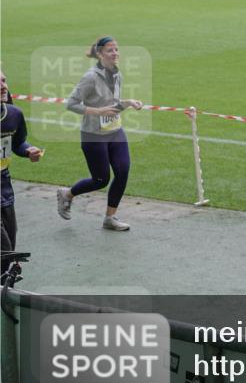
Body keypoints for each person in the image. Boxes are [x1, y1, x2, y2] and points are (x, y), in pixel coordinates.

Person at [57, 36, 143, 231]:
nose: (115, 53)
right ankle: (67, 194)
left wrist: (128, 103)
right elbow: (71, 104)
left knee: (122, 171)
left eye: (117, 49)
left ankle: (110, 218)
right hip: (93, 135)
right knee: (100, 180)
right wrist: (98, 112)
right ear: (100, 54)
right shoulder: (90, 77)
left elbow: (112, 105)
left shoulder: (117, 75)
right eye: (110, 50)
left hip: (115, 131)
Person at [1, 71, 44, 280]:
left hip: (4, 185)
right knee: (4, 247)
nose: (2, 85)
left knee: (10, 236)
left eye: (3, 80)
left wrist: (28, 151)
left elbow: (17, 143)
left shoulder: (13, 115)